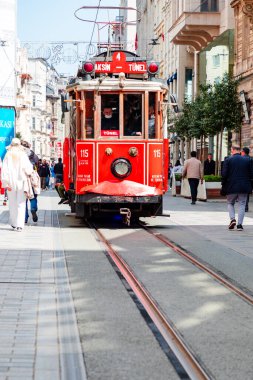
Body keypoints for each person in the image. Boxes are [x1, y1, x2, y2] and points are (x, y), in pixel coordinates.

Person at [1, 137, 33, 231]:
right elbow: (28, 169)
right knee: (21, 203)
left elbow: (4, 170)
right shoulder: (23, 154)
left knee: (12, 203)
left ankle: (14, 223)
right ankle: (20, 225)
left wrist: (6, 183)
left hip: (10, 182)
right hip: (22, 181)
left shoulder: (8, 155)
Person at [222, 145, 253, 231]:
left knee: (230, 203)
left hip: (231, 186)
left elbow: (224, 174)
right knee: (242, 204)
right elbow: (251, 174)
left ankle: (232, 219)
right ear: (240, 151)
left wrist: (223, 185)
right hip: (244, 186)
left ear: (232, 150)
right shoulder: (247, 160)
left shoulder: (228, 160)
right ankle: (239, 225)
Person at [21, 141, 39, 223]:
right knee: (33, 196)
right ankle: (33, 209)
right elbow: (37, 165)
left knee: (23, 199)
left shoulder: (20, 154)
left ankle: (25, 218)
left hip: (22, 179)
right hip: (32, 177)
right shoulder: (33, 155)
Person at [241, 146, 252, 212]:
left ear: (244, 152)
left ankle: (244, 206)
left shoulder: (241, 159)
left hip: (243, 178)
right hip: (249, 179)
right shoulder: (251, 159)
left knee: (243, 193)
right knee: (247, 193)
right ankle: (246, 206)